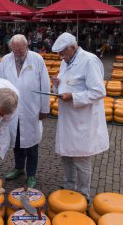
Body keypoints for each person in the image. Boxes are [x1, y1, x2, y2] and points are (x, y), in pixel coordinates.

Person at [51, 32, 109, 200]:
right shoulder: (66, 61)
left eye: (63, 52)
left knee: (81, 158)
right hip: (67, 118)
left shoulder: (89, 61)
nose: (61, 57)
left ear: (73, 47)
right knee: (67, 154)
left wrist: (74, 97)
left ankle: (84, 193)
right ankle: (69, 185)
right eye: (59, 54)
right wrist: (57, 85)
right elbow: (66, 84)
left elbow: (98, 91)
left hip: (82, 119)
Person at [0, 34, 50, 188]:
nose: (19, 54)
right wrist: (2, 106)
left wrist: (44, 109)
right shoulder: (6, 61)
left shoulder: (37, 60)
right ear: (11, 49)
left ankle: (32, 174)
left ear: (27, 46)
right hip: (12, 109)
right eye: (15, 51)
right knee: (16, 142)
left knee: (32, 145)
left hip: (31, 108)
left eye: (21, 50)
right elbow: (1, 84)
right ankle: (19, 168)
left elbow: (45, 85)